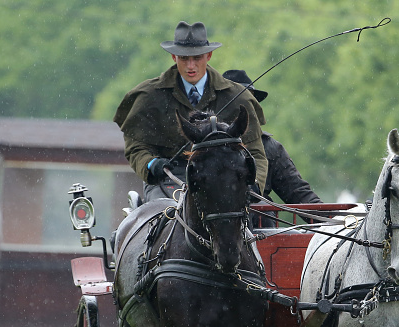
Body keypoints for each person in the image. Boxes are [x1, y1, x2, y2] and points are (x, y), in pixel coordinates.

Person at [113, 22, 268, 202]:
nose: (191, 65)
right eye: (184, 58)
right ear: (174, 57)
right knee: (164, 216)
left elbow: (256, 153)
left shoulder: (238, 97)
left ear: (209, 55)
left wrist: (254, 183)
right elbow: (136, 148)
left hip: (221, 181)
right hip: (168, 179)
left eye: (197, 58)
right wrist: (151, 163)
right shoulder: (149, 96)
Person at [222, 69, 323, 227]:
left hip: (262, 234)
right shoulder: (199, 148)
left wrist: (338, 220)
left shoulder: (270, 148)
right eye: (235, 105)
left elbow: (299, 194)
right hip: (209, 236)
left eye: (247, 104)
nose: (242, 112)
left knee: (263, 210)